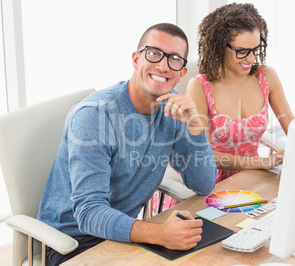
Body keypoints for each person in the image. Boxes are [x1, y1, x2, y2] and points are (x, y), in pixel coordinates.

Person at [37, 23, 217, 265]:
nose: (163, 65)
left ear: (181, 72)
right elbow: (89, 213)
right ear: (136, 58)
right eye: (154, 53)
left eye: (174, 59)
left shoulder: (172, 111)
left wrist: (196, 130)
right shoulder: (96, 115)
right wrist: (160, 234)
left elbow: (203, 184)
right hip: (73, 245)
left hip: (124, 236)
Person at [187, 3, 294, 183]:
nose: (252, 59)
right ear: (220, 47)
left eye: (256, 50)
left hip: (253, 176)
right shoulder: (199, 86)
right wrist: (258, 162)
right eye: (243, 52)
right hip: (210, 182)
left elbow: (294, 130)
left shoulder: (267, 76)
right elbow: (203, 157)